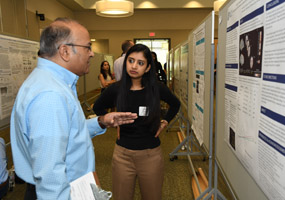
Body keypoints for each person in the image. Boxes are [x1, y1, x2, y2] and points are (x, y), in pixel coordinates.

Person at [10, 17, 137, 200]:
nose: (92, 54)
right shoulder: (50, 95)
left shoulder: (53, 84)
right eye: (88, 47)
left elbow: (65, 133)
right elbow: (50, 177)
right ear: (65, 51)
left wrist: (100, 122)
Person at [93, 44, 180, 200]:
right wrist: (113, 122)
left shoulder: (156, 88)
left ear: (147, 68)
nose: (134, 66)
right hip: (122, 156)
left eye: (140, 63)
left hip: (151, 155)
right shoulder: (116, 89)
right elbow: (98, 107)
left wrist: (165, 122)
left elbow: (175, 104)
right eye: (131, 60)